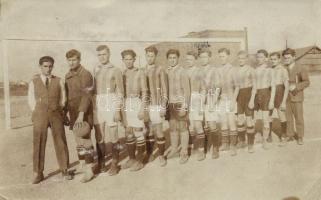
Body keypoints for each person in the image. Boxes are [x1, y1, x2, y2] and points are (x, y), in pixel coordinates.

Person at [28, 56, 73, 184]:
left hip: (55, 113)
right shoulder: (34, 81)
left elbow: (63, 98)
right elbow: (31, 99)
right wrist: (36, 111)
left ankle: (65, 169)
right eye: (45, 66)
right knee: (39, 142)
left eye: (50, 66)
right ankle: (38, 172)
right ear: (40, 67)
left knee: (60, 141)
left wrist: (59, 108)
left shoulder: (59, 80)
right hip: (40, 114)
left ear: (53, 67)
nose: (48, 69)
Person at [64, 49, 95, 183]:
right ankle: (83, 165)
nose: (71, 62)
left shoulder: (86, 74)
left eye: (74, 60)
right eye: (69, 60)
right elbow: (66, 96)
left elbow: (87, 95)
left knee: (86, 139)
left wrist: (81, 114)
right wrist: (65, 112)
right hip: (73, 111)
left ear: (79, 60)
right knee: (78, 140)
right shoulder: (67, 75)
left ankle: (90, 170)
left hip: (84, 111)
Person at [93, 45, 123, 175]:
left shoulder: (116, 70)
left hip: (111, 102)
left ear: (109, 54)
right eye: (99, 55)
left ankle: (115, 163)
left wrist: (117, 110)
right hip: (99, 103)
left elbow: (120, 92)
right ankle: (101, 163)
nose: (102, 57)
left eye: (104, 54)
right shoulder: (96, 69)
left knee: (113, 134)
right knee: (99, 135)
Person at [121, 49, 148, 171]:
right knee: (128, 132)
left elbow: (145, 91)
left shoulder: (140, 72)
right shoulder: (122, 73)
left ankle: (140, 160)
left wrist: (142, 109)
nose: (128, 61)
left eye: (130, 59)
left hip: (137, 102)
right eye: (125, 59)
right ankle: (131, 158)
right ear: (123, 60)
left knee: (138, 131)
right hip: (126, 103)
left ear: (134, 59)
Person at [144, 46, 168, 166]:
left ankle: (161, 155)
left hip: (157, 104)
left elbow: (165, 89)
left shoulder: (160, 70)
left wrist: (163, 105)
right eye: (148, 55)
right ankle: (149, 154)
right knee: (148, 130)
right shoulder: (142, 70)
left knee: (159, 130)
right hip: (146, 105)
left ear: (156, 56)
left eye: (152, 56)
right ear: (145, 56)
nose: (150, 58)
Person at [166, 49, 191, 164]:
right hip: (170, 103)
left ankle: (184, 151)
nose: (172, 60)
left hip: (180, 103)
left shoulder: (182, 71)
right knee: (172, 127)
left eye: (174, 58)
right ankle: (175, 148)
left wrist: (185, 106)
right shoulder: (167, 71)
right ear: (167, 59)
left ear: (178, 58)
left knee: (182, 127)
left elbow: (187, 91)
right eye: (170, 58)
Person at [283, 48, 310, 145]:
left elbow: (306, 82)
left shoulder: (300, 68)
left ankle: (300, 136)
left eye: (289, 58)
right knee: (288, 118)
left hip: (297, 96)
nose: (287, 60)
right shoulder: (283, 68)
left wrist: (296, 86)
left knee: (299, 118)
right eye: (285, 58)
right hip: (286, 98)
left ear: (294, 57)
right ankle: (289, 135)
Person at [217, 48, 239, 156]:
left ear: (228, 56)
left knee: (231, 122)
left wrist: (233, 101)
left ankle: (233, 146)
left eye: (224, 56)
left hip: (230, 100)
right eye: (220, 56)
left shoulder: (233, 69)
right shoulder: (218, 70)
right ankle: (225, 144)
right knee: (223, 123)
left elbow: (237, 87)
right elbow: (217, 87)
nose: (222, 58)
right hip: (222, 100)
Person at [185, 50, 207, 161]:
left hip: (196, 98)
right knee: (190, 126)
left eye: (191, 59)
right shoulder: (184, 72)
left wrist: (201, 104)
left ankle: (201, 150)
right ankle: (195, 146)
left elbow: (203, 89)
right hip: (186, 99)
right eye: (187, 59)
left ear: (195, 60)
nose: (189, 61)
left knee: (198, 125)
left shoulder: (199, 72)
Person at [201, 48, 221, 159]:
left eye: (205, 57)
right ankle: (205, 146)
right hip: (201, 99)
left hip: (210, 98)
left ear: (209, 57)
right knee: (204, 124)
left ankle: (215, 148)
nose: (203, 59)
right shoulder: (199, 70)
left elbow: (218, 87)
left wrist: (213, 102)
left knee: (212, 124)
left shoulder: (214, 70)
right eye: (201, 57)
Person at [234, 51, 256, 153]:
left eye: (242, 58)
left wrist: (252, 100)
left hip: (249, 94)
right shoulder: (237, 70)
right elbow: (237, 87)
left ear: (246, 59)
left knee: (249, 120)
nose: (240, 60)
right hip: (240, 95)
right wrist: (233, 100)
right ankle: (242, 141)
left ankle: (250, 143)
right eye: (239, 58)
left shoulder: (251, 70)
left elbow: (255, 86)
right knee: (240, 120)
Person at [254, 49, 276, 150]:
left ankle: (265, 139)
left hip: (266, 94)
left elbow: (273, 87)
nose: (259, 59)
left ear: (266, 58)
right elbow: (254, 85)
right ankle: (256, 136)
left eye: (262, 57)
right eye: (258, 57)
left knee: (265, 119)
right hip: (256, 94)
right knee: (254, 118)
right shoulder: (255, 70)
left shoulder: (270, 70)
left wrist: (271, 101)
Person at [268, 52, 289, 146]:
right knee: (269, 115)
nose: (273, 61)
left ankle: (284, 136)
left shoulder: (283, 70)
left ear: (279, 59)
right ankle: (268, 135)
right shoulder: (270, 69)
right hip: (270, 91)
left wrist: (284, 101)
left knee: (281, 115)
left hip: (279, 91)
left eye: (275, 59)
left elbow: (287, 87)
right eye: (271, 59)